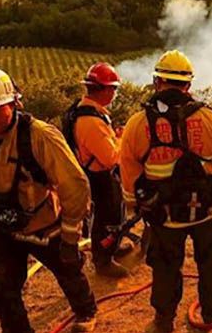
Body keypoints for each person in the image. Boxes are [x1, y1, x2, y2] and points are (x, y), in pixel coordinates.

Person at [0, 66, 97, 333]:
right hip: (1, 227)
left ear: (13, 103)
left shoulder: (39, 136)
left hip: (45, 224)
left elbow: (73, 184)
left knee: (68, 269)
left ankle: (85, 311)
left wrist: (71, 234)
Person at [120, 50, 212, 333]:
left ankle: (164, 321)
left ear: (157, 83)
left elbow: (128, 171)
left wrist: (135, 205)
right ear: (188, 85)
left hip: (164, 217)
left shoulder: (138, 124)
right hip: (208, 212)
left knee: (165, 267)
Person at [63, 62, 129, 278]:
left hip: (98, 171)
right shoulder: (90, 120)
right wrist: (122, 141)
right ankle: (103, 260)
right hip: (101, 175)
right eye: (114, 89)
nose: (114, 93)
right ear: (105, 89)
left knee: (115, 213)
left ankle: (112, 246)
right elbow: (110, 158)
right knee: (107, 217)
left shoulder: (90, 111)